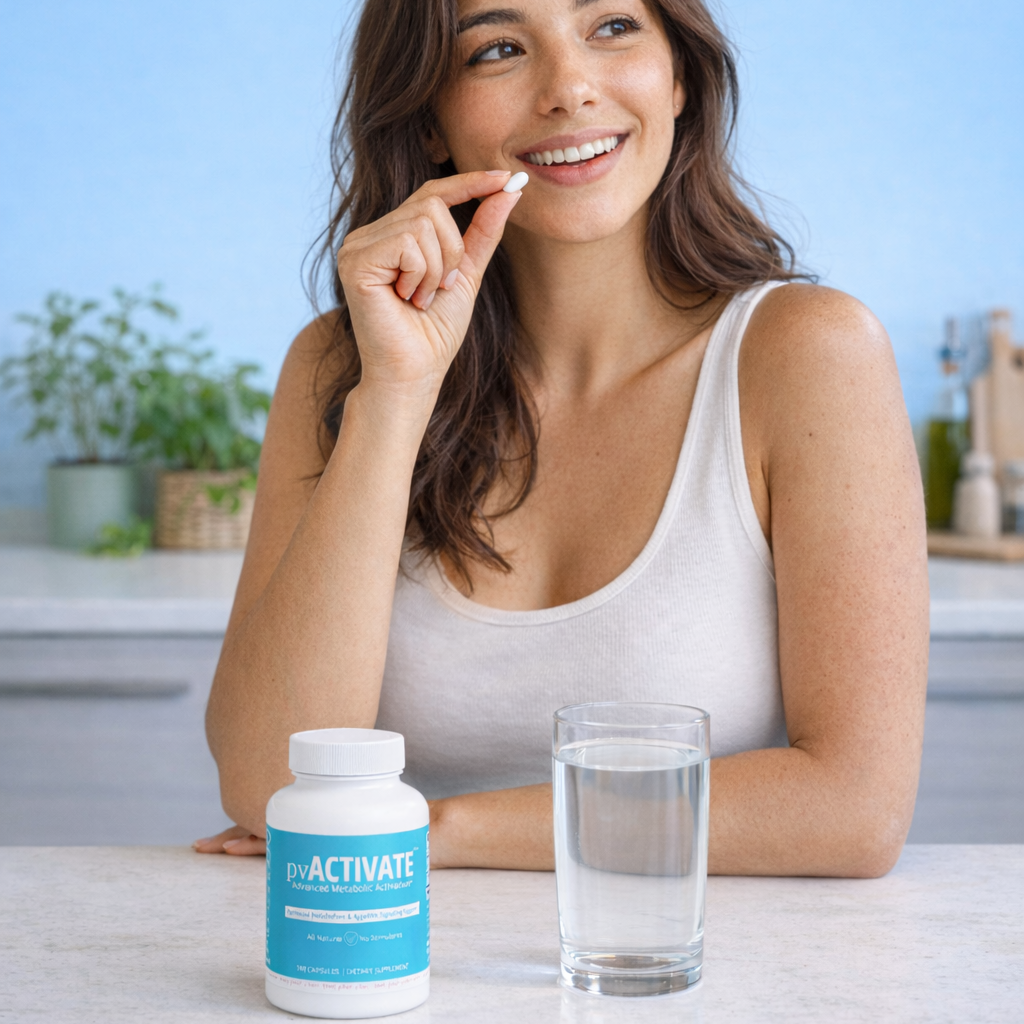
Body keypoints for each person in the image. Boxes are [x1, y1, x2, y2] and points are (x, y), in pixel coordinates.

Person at [194, 0, 928, 876]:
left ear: (681, 74)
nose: (570, 89)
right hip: (397, 976)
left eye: (612, 26)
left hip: (685, 970)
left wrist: (437, 832)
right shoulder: (341, 362)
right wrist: (395, 393)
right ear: (430, 118)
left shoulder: (809, 356)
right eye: (498, 49)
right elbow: (268, 777)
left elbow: (853, 809)